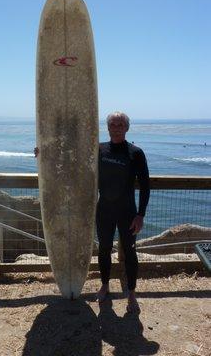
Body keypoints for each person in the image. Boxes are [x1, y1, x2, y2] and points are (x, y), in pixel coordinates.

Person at [96, 111, 150, 312]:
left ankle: (132, 293)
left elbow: (145, 186)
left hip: (128, 212)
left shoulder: (135, 153)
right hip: (104, 211)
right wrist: (43, 154)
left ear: (127, 128)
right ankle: (104, 285)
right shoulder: (99, 150)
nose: (117, 128)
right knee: (104, 249)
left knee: (130, 252)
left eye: (120, 125)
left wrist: (141, 215)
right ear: (108, 127)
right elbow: (74, 163)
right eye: (113, 124)